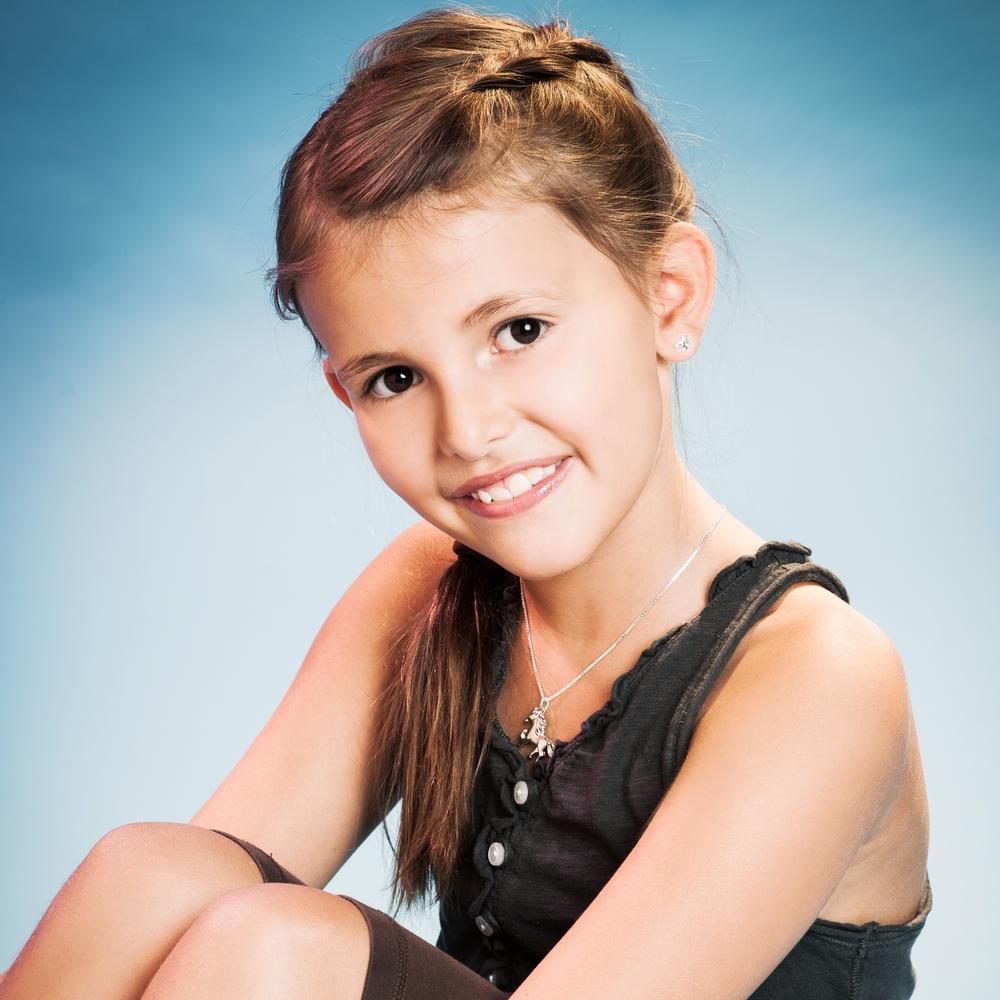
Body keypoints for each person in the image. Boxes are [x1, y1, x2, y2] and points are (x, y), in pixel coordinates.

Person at [0, 5, 932, 999]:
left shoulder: (816, 674)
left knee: (280, 947)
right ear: (345, 393)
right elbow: (181, 919)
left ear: (669, 294)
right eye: (396, 378)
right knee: (151, 875)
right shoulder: (432, 587)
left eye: (519, 330)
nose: (468, 430)